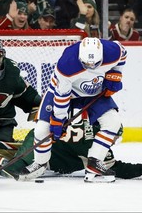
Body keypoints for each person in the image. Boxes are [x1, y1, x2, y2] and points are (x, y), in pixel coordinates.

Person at [18, 37, 127, 183]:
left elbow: (123, 55)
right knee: (42, 129)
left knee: (113, 122)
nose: (91, 67)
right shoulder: (67, 65)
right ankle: (39, 164)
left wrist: (115, 74)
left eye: (95, 64)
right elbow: (62, 97)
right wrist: (58, 120)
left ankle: (95, 163)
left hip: (93, 91)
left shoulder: (112, 51)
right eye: (87, 64)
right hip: (66, 92)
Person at [0, 112, 142, 181]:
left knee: (16, 152)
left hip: (40, 139)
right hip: (42, 150)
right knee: (16, 172)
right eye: (112, 137)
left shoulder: (88, 125)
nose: (112, 141)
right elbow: (121, 170)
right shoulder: (99, 151)